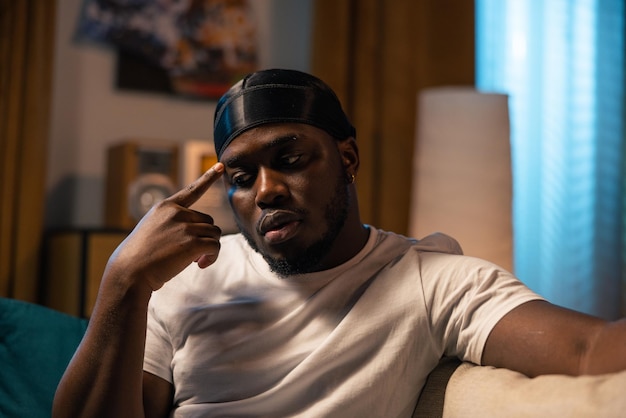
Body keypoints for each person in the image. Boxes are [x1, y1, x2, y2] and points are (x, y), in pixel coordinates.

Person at [52, 69, 626, 418]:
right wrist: (123, 280)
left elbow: (587, 351)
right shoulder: (186, 278)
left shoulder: (430, 278)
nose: (267, 190)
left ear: (347, 159)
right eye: (241, 177)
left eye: (291, 159)